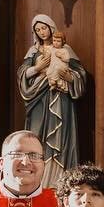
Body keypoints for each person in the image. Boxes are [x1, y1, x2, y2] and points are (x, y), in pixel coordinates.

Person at [17, 15, 87, 186]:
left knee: (60, 139)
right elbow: (22, 75)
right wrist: (38, 68)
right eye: (38, 29)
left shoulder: (65, 50)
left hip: (61, 100)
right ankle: (38, 181)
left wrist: (69, 77)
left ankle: (59, 182)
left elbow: (80, 75)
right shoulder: (33, 52)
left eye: (44, 28)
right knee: (37, 139)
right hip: (38, 103)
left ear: (51, 28)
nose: (42, 32)